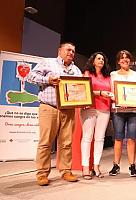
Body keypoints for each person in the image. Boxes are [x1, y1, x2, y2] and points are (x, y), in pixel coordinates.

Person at [27, 42, 82, 186]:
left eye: (73, 51)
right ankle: (42, 173)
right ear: (60, 50)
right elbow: (30, 76)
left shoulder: (76, 69)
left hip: (69, 109)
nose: (71, 52)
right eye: (68, 49)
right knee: (45, 142)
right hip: (49, 107)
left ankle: (66, 171)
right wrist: (48, 80)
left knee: (66, 143)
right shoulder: (48, 63)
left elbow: (81, 89)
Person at [109, 50, 136, 177]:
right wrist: (118, 100)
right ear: (118, 61)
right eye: (122, 58)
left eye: (127, 58)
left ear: (130, 60)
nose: (125, 60)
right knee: (118, 138)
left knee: (131, 138)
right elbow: (111, 92)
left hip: (133, 111)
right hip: (118, 110)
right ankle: (115, 165)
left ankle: (132, 166)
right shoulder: (113, 74)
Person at [80, 52, 112, 180]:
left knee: (100, 139)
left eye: (103, 59)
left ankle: (96, 166)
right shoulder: (87, 73)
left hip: (104, 109)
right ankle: (85, 167)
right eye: (98, 58)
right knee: (87, 138)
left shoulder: (107, 76)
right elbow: (83, 89)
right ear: (93, 61)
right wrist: (100, 93)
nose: (101, 60)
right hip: (90, 108)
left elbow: (112, 92)